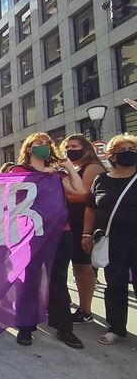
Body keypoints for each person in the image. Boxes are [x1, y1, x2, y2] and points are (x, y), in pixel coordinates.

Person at [10, 132, 86, 349]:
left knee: (58, 279)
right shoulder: (19, 171)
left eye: (47, 143)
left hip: (61, 233)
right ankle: (26, 326)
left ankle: (64, 328)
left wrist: (69, 168)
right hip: (32, 234)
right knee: (30, 278)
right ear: (29, 148)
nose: (43, 146)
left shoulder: (57, 174)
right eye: (38, 143)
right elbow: (10, 196)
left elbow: (80, 191)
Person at [82, 133, 137, 345]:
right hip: (112, 242)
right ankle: (116, 328)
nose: (128, 154)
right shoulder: (101, 179)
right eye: (122, 151)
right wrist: (87, 233)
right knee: (115, 285)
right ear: (112, 156)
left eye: (131, 150)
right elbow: (91, 208)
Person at [60, 134, 107, 325]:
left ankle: (85, 310)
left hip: (83, 222)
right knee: (75, 266)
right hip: (70, 221)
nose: (70, 149)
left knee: (83, 266)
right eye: (67, 146)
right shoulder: (74, 168)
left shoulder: (92, 167)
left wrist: (57, 191)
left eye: (74, 145)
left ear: (85, 148)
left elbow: (83, 196)